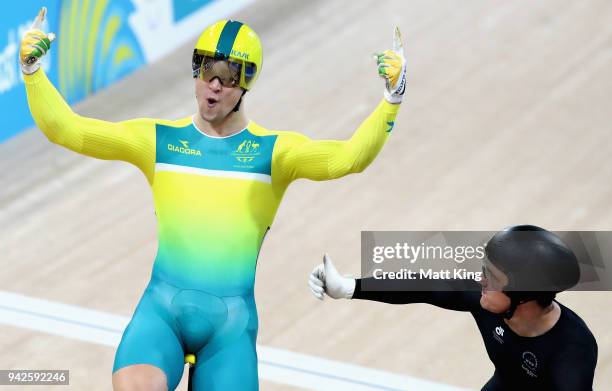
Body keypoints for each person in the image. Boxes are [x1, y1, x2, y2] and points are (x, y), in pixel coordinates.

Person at [20, 7, 407, 391]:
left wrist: (392, 98)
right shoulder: (158, 141)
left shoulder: (274, 153)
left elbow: (350, 158)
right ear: (195, 72)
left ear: (246, 83)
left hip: (229, 329)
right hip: (161, 315)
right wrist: (32, 72)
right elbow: (66, 130)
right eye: (208, 70)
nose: (216, 85)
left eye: (229, 76)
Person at [309, 225, 598, 390]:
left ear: (523, 296)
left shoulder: (573, 351)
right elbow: (425, 286)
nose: (481, 279)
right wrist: (350, 287)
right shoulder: (489, 300)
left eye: (492, 277)